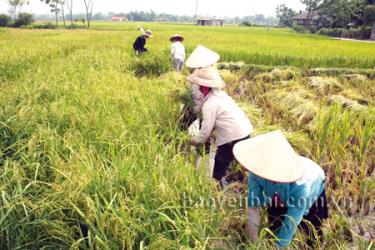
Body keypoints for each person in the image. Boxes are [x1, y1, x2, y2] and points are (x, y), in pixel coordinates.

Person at [232, 130, 329, 248]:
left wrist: (278, 247)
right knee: (275, 224)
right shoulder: (257, 171)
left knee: (311, 227)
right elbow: (253, 207)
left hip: (314, 186)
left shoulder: (301, 186)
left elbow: (290, 224)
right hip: (278, 195)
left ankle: (316, 244)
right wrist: (255, 243)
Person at [187, 65, 253, 184]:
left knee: (220, 162)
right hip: (245, 131)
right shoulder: (222, 96)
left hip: (232, 136)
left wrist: (196, 140)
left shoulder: (209, 104)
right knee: (242, 160)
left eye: (198, 87)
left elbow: (206, 130)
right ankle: (242, 180)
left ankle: (217, 185)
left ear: (204, 87)